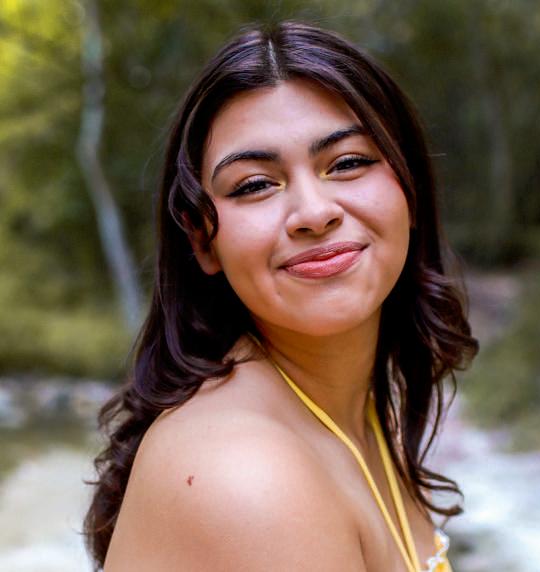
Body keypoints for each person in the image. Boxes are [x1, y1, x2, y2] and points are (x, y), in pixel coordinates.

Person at [84, 20, 478, 572]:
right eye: (255, 185)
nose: (314, 213)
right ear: (202, 240)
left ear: (409, 188)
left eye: (348, 163)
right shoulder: (243, 475)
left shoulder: (357, 413)